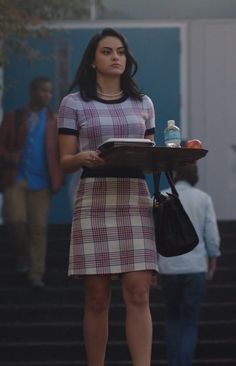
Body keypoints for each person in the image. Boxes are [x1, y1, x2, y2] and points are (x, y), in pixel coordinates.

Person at [57, 28, 158, 366]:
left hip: (134, 198)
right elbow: (65, 160)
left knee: (139, 291)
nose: (116, 57)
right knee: (97, 298)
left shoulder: (143, 103)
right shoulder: (73, 103)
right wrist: (83, 157)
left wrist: (170, 156)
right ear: (92, 60)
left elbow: (151, 153)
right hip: (94, 197)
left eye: (121, 51)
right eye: (107, 51)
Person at [0, 77, 64, 288]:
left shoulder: (55, 120)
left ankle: (36, 271)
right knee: (16, 220)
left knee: (38, 227)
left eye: (49, 91)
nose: (46, 95)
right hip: (16, 177)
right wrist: (8, 156)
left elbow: (61, 151)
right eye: (42, 90)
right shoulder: (14, 117)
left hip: (42, 180)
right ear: (32, 91)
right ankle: (23, 255)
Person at [156, 163, 221, 366]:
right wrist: (212, 260)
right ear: (195, 177)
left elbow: (153, 233)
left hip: (168, 267)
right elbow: (211, 236)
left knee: (172, 317)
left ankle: (174, 362)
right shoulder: (203, 198)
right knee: (189, 322)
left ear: (174, 176)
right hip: (195, 268)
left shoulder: (160, 197)